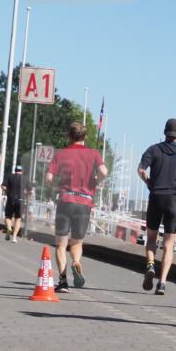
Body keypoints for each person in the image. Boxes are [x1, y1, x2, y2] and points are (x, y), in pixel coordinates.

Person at [45, 121, 107, 292]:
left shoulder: (61, 153)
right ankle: (76, 261)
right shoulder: (93, 153)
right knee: (77, 242)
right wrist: (96, 181)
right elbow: (104, 171)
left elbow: (48, 178)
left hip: (65, 200)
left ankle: (63, 281)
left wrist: (56, 186)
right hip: (84, 202)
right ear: (85, 137)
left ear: (69, 136)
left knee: (61, 244)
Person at [139, 119, 176, 295]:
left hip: (156, 197)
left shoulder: (153, 150)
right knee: (169, 244)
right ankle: (162, 283)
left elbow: (141, 170)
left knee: (151, 238)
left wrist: (148, 182)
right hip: (173, 200)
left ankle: (150, 264)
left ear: (164, 132)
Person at [2, 165, 26, 243]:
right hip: (21, 200)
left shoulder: (9, 176)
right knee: (18, 219)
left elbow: (3, 186)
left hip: (11, 199)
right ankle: (14, 237)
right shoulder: (25, 178)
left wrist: (8, 191)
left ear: (15, 170)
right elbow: (30, 191)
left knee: (8, 216)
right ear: (22, 171)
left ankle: (9, 228)